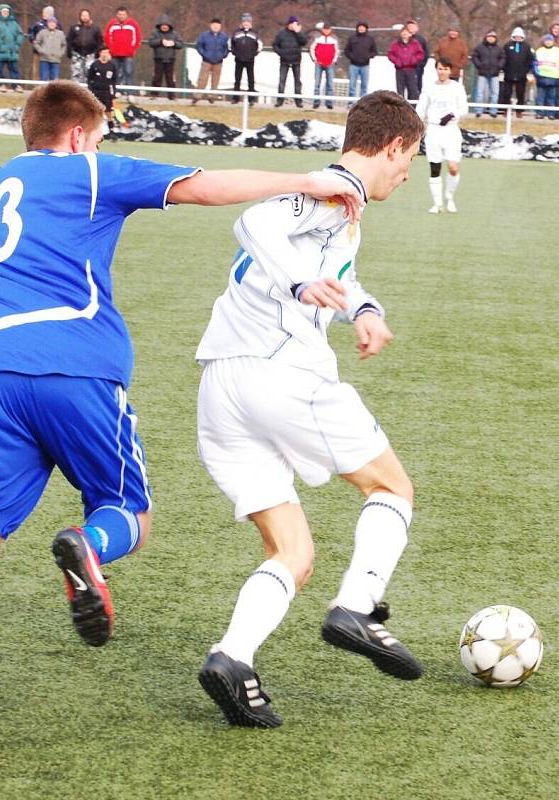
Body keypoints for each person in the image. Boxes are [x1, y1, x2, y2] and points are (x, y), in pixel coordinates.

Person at [0, 78, 363, 746]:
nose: (100, 146)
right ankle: (89, 548)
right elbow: (206, 184)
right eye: (98, 136)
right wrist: (309, 177)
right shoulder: (92, 171)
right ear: (78, 136)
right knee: (128, 512)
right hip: (75, 363)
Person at [195, 89, 425, 729]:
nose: (407, 177)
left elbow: (328, 270)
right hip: (282, 372)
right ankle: (358, 605)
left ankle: (232, 659)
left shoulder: (339, 205)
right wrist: (300, 285)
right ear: (393, 146)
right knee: (391, 487)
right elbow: (255, 223)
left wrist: (363, 309)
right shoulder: (338, 190)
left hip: (222, 386)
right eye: (409, 162)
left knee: (291, 551)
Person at [416, 57, 468, 214]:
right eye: (440, 68)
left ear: (450, 70)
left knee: (453, 167)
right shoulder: (429, 88)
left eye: (445, 69)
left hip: (451, 130)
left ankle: (449, 196)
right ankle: (437, 203)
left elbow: (464, 108)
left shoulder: (457, 87)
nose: (442, 72)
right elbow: (421, 110)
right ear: (436, 69)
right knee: (435, 168)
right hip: (433, 130)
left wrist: (452, 115)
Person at [87, 44, 127, 136]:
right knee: (94, 112)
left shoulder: (111, 66)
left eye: (107, 52)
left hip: (106, 92)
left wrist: (113, 93)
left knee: (108, 112)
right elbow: (89, 79)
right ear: (100, 53)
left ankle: (111, 131)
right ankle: (92, 131)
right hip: (96, 92)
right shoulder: (94, 65)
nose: (105, 54)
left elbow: (114, 81)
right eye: (103, 52)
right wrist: (90, 90)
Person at [103, 5, 141, 94]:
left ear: (127, 15)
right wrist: (110, 49)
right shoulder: (111, 24)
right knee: (115, 73)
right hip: (114, 54)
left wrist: (132, 49)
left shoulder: (133, 24)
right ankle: (116, 91)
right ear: (116, 15)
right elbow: (107, 37)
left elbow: (137, 38)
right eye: (119, 14)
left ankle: (129, 92)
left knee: (128, 72)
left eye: (123, 14)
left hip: (128, 54)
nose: (121, 16)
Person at [0, 3, 24, 93]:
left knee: (14, 69)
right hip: (0, 51)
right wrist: (1, 45)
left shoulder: (14, 23)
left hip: (12, 52)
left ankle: (16, 85)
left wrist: (17, 45)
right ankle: (0, 85)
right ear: (0, 12)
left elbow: (20, 34)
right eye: (4, 11)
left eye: (7, 11)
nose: (6, 13)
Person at [192, 17, 228, 104]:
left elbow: (226, 48)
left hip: (218, 61)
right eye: (214, 25)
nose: (216, 27)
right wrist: (204, 54)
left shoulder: (224, 36)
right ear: (210, 26)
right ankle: (197, 96)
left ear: (220, 26)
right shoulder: (204, 35)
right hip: (206, 61)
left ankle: (212, 96)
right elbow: (199, 46)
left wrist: (223, 55)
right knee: (202, 79)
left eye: (217, 25)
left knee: (215, 80)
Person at [273, 16, 307, 107]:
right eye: (293, 23)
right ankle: (280, 100)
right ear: (289, 24)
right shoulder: (281, 33)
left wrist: (298, 32)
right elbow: (275, 45)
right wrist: (281, 53)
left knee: (297, 82)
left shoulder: (298, 33)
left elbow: (304, 42)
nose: (294, 25)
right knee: (282, 81)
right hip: (284, 61)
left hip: (296, 61)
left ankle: (298, 101)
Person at [499, 27, 534, 117]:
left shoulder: (526, 46)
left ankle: (519, 111)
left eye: (520, 36)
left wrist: (525, 70)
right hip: (509, 74)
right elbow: (503, 58)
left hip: (521, 75)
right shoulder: (507, 45)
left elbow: (530, 60)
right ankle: (506, 110)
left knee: (520, 94)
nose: (518, 38)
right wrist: (504, 69)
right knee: (506, 94)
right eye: (516, 36)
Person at [148, 14, 183, 100]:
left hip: (170, 59)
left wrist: (173, 43)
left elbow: (181, 44)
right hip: (158, 58)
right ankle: (154, 94)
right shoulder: (155, 33)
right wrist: (160, 41)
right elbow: (151, 42)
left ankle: (172, 95)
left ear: (169, 26)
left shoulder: (175, 34)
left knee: (170, 78)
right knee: (157, 77)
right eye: (163, 25)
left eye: (166, 25)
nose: (164, 27)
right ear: (160, 25)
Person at [229, 12, 261, 104]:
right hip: (239, 59)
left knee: (251, 80)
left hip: (250, 60)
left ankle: (251, 99)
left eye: (248, 21)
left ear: (251, 23)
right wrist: (235, 53)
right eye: (244, 21)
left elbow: (260, 45)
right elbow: (230, 44)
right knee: (237, 80)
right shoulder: (236, 32)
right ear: (242, 23)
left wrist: (254, 54)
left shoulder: (255, 33)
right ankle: (235, 98)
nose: (246, 23)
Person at [471, 30, 504, 117]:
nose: (491, 38)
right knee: (479, 93)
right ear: (486, 37)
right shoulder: (479, 47)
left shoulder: (499, 49)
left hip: (495, 74)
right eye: (489, 36)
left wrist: (499, 66)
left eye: (493, 37)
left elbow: (503, 58)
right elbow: (474, 56)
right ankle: (478, 111)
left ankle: (493, 111)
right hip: (482, 73)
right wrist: (479, 65)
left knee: (495, 94)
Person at [387, 26, 424, 101]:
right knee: (400, 90)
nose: (405, 34)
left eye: (406, 32)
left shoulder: (415, 43)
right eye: (403, 32)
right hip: (400, 70)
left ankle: (413, 107)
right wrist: (396, 61)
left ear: (410, 34)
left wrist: (414, 60)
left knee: (413, 90)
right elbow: (390, 54)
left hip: (411, 69)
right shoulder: (395, 44)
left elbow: (420, 54)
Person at [67, 8, 103, 84]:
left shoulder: (95, 28)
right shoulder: (74, 28)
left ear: (89, 16)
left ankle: (89, 90)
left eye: (86, 15)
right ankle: (76, 91)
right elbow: (69, 40)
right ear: (80, 16)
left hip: (90, 54)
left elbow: (100, 42)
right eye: (83, 15)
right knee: (76, 74)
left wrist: (97, 53)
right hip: (77, 54)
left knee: (90, 73)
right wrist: (69, 52)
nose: (85, 17)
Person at [344, 21, 376, 100]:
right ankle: (351, 103)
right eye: (360, 27)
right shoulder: (352, 38)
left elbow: (374, 52)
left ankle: (363, 104)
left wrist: (368, 56)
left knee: (364, 86)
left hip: (365, 66)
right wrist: (352, 57)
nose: (361, 28)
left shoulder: (370, 39)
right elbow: (346, 50)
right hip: (353, 65)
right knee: (352, 85)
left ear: (366, 28)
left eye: (363, 27)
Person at [310, 22, 338, 109]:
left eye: (328, 29)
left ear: (330, 30)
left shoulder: (334, 40)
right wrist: (315, 59)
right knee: (317, 83)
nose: (326, 31)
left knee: (330, 84)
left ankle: (329, 103)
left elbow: (336, 51)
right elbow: (312, 49)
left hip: (329, 64)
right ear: (322, 30)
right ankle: (316, 102)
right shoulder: (317, 39)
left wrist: (334, 60)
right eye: (325, 29)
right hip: (319, 63)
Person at [534, 34, 559, 119]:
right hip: (541, 78)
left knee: (552, 98)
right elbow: (535, 64)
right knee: (540, 98)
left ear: (553, 42)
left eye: (550, 40)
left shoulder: (558, 51)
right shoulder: (539, 51)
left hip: (554, 78)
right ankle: (540, 113)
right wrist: (537, 75)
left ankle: (551, 114)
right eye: (546, 40)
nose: (548, 42)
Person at [28, 6, 61, 80]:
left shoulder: (57, 25)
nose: (43, 14)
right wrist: (33, 40)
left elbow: (61, 38)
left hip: (53, 53)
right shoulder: (37, 24)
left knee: (53, 73)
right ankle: (37, 87)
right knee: (37, 71)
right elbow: (30, 32)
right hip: (38, 52)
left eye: (45, 13)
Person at [35, 16, 66, 82]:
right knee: (43, 79)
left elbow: (64, 45)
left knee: (55, 81)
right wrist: (41, 51)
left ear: (56, 24)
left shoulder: (60, 34)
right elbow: (36, 43)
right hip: (44, 59)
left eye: (53, 22)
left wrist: (60, 53)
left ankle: (54, 92)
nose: (51, 24)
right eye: (50, 22)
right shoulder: (42, 32)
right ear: (47, 23)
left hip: (56, 60)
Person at [406, 19, 429, 93]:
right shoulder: (403, 38)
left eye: (413, 27)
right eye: (409, 27)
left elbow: (426, 53)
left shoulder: (421, 39)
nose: (411, 28)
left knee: (417, 85)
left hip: (418, 67)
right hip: (405, 67)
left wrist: (422, 64)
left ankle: (417, 100)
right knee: (408, 85)